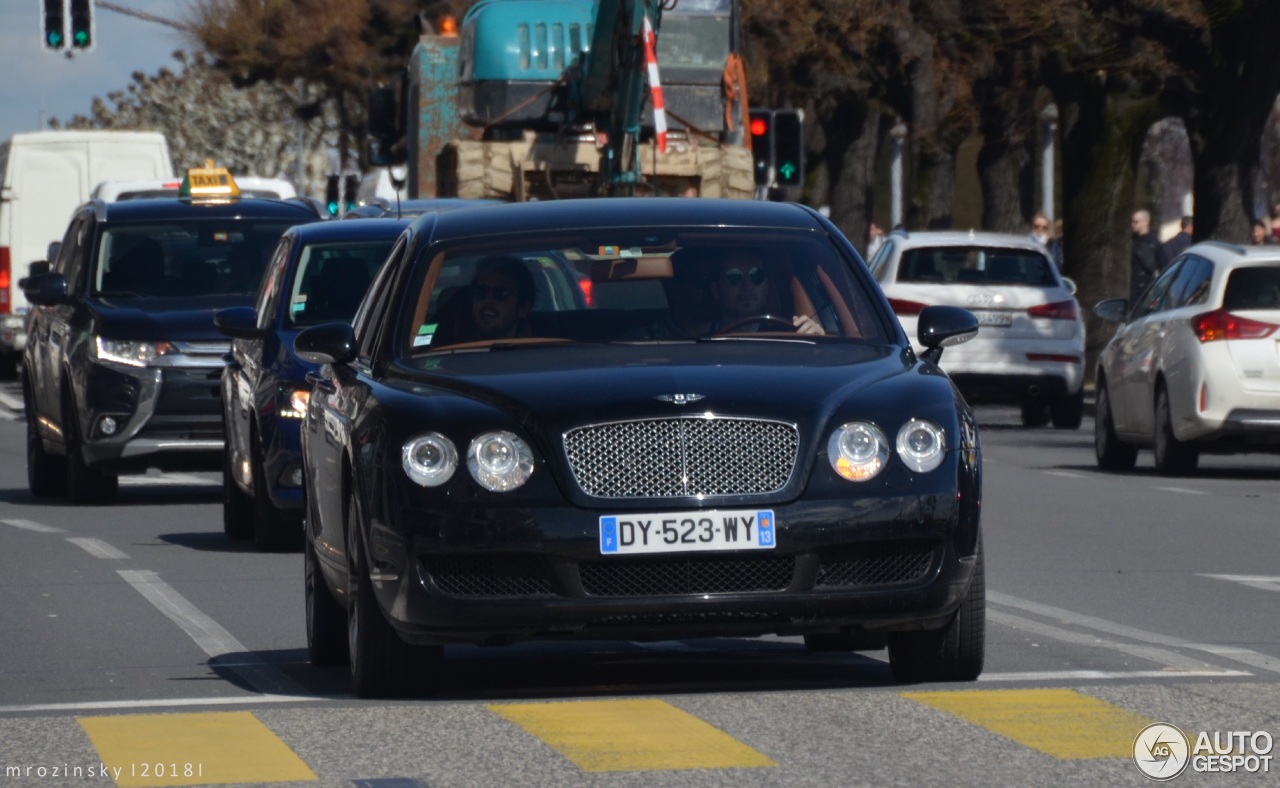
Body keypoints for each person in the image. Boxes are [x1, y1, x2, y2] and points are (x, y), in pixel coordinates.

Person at [711, 250, 824, 335]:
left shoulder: (789, 338)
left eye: (756, 276)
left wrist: (816, 342)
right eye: (734, 277)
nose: (747, 286)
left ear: (766, 287)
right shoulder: (699, 343)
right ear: (716, 290)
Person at [466, 255, 536, 340]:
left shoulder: (544, 350)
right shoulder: (449, 348)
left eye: (500, 293)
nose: (488, 300)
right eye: (481, 291)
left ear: (523, 307)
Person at [1130, 209, 1160, 302]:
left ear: (1145, 222)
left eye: (1136, 222)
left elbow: (1162, 265)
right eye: (1132, 221)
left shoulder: (1154, 243)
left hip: (1147, 290)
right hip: (1134, 289)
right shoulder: (1132, 241)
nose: (1133, 224)